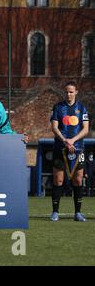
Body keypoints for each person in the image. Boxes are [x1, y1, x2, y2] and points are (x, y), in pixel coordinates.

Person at [49, 81, 89, 222]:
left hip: (78, 149)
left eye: (71, 91)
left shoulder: (82, 108)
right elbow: (54, 127)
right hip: (60, 148)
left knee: (78, 180)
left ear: (76, 92)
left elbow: (85, 129)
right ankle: (55, 212)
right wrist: (65, 140)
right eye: (66, 91)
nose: (68, 94)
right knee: (58, 180)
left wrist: (73, 140)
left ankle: (78, 213)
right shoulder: (58, 107)